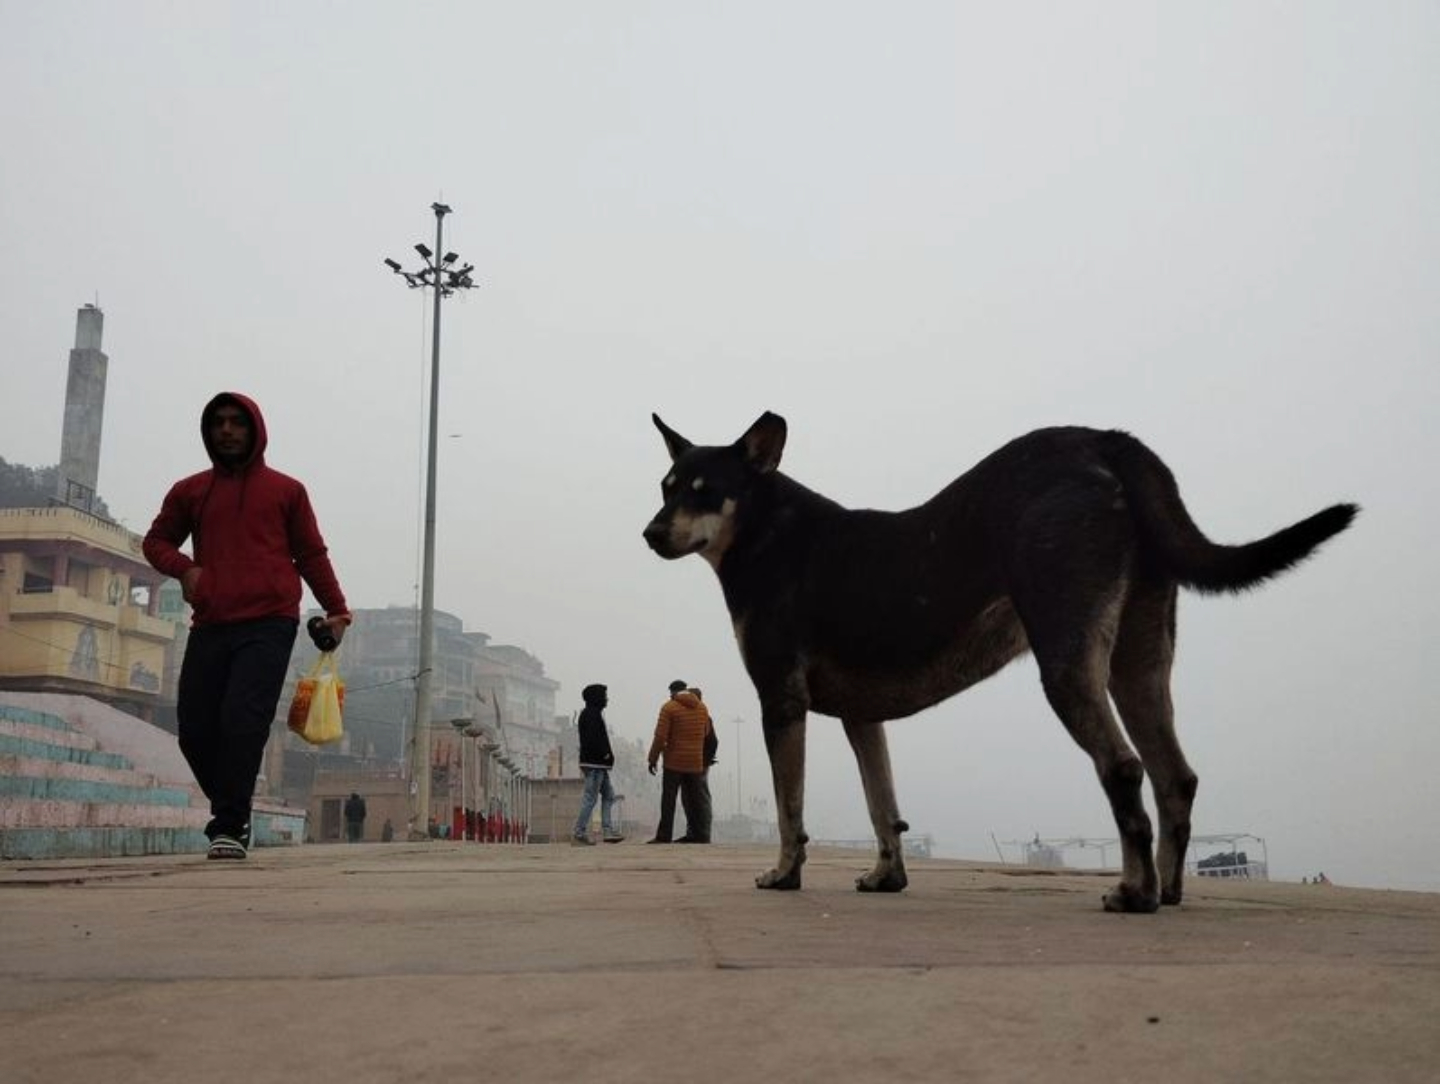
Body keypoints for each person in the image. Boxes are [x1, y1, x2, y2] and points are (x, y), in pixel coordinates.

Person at [143, 392, 351, 861]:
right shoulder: (191, 491)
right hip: (211, 621)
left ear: (255, 430)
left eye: (237, 422)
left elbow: (311, 555)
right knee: (195, 729)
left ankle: (229, 823)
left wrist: (338, 611)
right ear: (208, 431)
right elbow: (156, 541)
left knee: (243, 719)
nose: (227, 430)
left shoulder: (287, 491)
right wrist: (185, 569)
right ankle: (232, 805)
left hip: (270, 621)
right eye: (218, 422)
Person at [646, 679, 713, 844]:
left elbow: (660, 737)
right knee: (696, 801)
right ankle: (699, 835)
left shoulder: (669, 708)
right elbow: (706, 733)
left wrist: (653, 759)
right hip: (695, 762)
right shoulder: (702, 708)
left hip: (673, 762)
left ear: (672, 692)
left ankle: (664, 835)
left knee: (669, 800)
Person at [572, 683, 625, 845]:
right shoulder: (591, 715)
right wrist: (605, 754)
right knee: (590, 798)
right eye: (604, 696)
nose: (607, 699)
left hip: (599, 765)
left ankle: (607, 830)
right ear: (596, 698)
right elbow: (593, 740)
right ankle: (579, 832)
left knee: (609, 796)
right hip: (595, 764)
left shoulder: (593, 714)